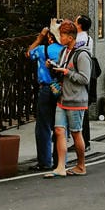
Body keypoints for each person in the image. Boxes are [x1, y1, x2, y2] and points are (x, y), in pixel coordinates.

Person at [46, 20, 91, 177]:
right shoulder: (63, 52)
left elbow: (85, 78)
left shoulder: (82, 54)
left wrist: (67, 72)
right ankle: (60, 166)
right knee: (59, 130)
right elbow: (60, 71)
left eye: (63, 35)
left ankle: (81, 165)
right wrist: (52, 67)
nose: (61, 38)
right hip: (63, 98)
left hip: (76, 100)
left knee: (76, 132)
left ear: (71, 37)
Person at [26, 24, 64, 171]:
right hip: (61, 89)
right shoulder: (66, 51)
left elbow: (28, 53)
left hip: (46, 89)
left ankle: (45, 161)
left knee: (43, 126)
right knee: (60, 125)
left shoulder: (43, 50)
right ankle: (60, 160)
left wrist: (39, 37)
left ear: (50, 37)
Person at [74, 15, 95, 146]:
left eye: (76, 21)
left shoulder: (78, 40)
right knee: (83, 109)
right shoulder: (89, 39)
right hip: (86, 74)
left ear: (79, 25)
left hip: (78, 75)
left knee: (80, 110)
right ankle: (84, 140)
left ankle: (83, 141)